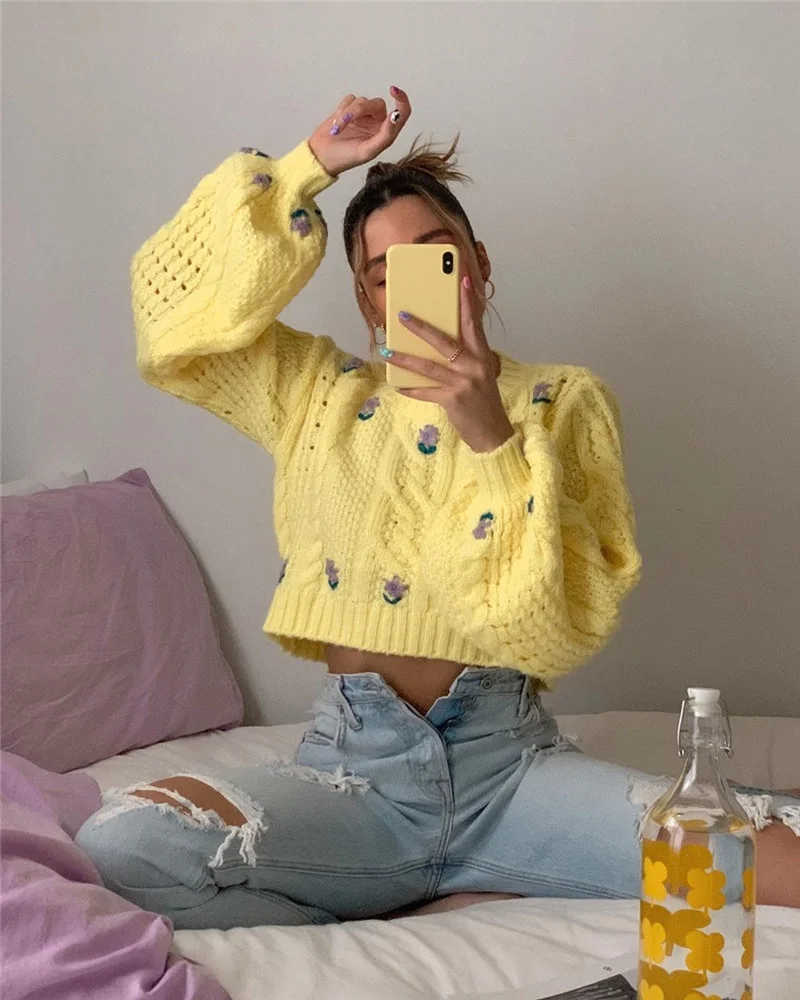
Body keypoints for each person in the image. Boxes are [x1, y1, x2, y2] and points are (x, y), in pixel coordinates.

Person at [77, 89, 800, 929]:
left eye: (438, 257)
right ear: (367, 300)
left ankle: (464, 874)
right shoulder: (315, 394)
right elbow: (168, 328)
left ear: (478, 264)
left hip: (515, 774)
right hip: (352, 777)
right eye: (385, 274)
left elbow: (549, 634)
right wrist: (303, 170)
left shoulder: (563, 401)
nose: (413, 283)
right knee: (122, 844)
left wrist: (494, 439)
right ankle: (404, 891)